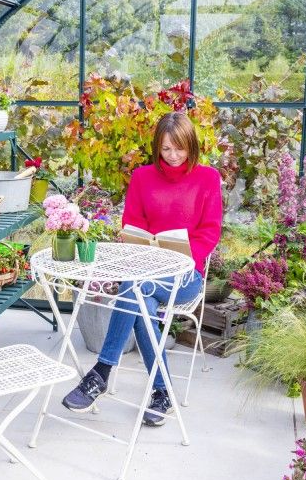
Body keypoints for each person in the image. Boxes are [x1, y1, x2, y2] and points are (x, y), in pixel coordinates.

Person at [62, 112, 223, 426]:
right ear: (156, 148)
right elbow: (132, 225)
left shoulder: (207, 178)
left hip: (188, 275)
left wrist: (186, 256)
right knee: (141, 293)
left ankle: (102, 372)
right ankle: (162, 392)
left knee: (134, 288)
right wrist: (139, 245)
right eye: (165, 149)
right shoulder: (142, 178)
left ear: (191, 145)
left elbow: (210, 232)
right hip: (145, 271)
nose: (173, 156)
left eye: (179, 148)